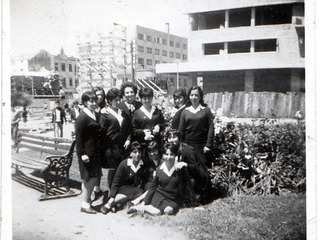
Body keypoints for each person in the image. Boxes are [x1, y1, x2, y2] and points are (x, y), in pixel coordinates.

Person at [128, 143, 187, 216]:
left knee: (168, 210)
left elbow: (187, 186)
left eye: (171, 154)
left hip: (172, 198)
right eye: (166, 154)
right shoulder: (159, 169)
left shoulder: (178, 168)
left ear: (175, 156)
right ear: (163, 155)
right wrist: (144, 202)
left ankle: (141, 207)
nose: (168, 157)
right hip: (159, 195)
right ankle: (140, 207)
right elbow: (153, 187)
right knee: (157, 212)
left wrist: (194, 204)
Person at [178, 86, 214, 202]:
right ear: (189, 96)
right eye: (192, 95)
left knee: (202, 172)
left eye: (196, 95)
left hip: (202, 146)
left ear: (200, 97)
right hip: (188, 146)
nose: (194, 97)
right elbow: (181, 131)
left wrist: (208, 145)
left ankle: (203, 196)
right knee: (189, 171)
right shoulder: (185, 112)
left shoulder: (206, 110)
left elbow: (211, 128)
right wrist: (180, 147)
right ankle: (190, 196)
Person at [100, 142, 147, 214]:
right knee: (131, 194)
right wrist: (112, 196)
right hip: (122, 188)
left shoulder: (142, 165)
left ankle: (118, 205)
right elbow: (116, 181)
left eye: (139, 152)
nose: (137, 154)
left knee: (140, 192)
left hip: (135, 190)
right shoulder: (124, 164)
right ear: (131, 153)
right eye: (135, 152)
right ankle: (109, 204)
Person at [99, 88, 131, 191]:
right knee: (113, 170)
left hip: (122, 147)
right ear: (109, 101)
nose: (118, 102)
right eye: (115, 100)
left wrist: (128, 140)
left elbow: (129, 129)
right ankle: (111, 193)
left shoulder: (123, 113)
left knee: (121, 170)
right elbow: (101, 131)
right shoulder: (105, 113)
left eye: (119, 99)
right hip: (111, 147)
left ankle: (119, 191)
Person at [75, 91, 102, 214]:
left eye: (95, 100)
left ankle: (86, 201)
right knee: (91, 177)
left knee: (90, 178)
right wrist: (82, 154)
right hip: (87, 153)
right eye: (91, 101)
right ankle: (85, 204)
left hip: (94, 151)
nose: (94, 103)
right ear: (85, 102)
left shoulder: (93, 114)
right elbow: (79, 138)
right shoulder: (82, 117)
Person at [132, 87, 165, 161]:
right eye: (144, 98)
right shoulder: (137, 113)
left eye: (149, 98)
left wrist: (159, 126)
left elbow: (163, 124)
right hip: (143, 146)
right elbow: (133, 130)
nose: (147, 100)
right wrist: (143, 132)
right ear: (140, 99)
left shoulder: (157, 111)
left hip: (156, 145)